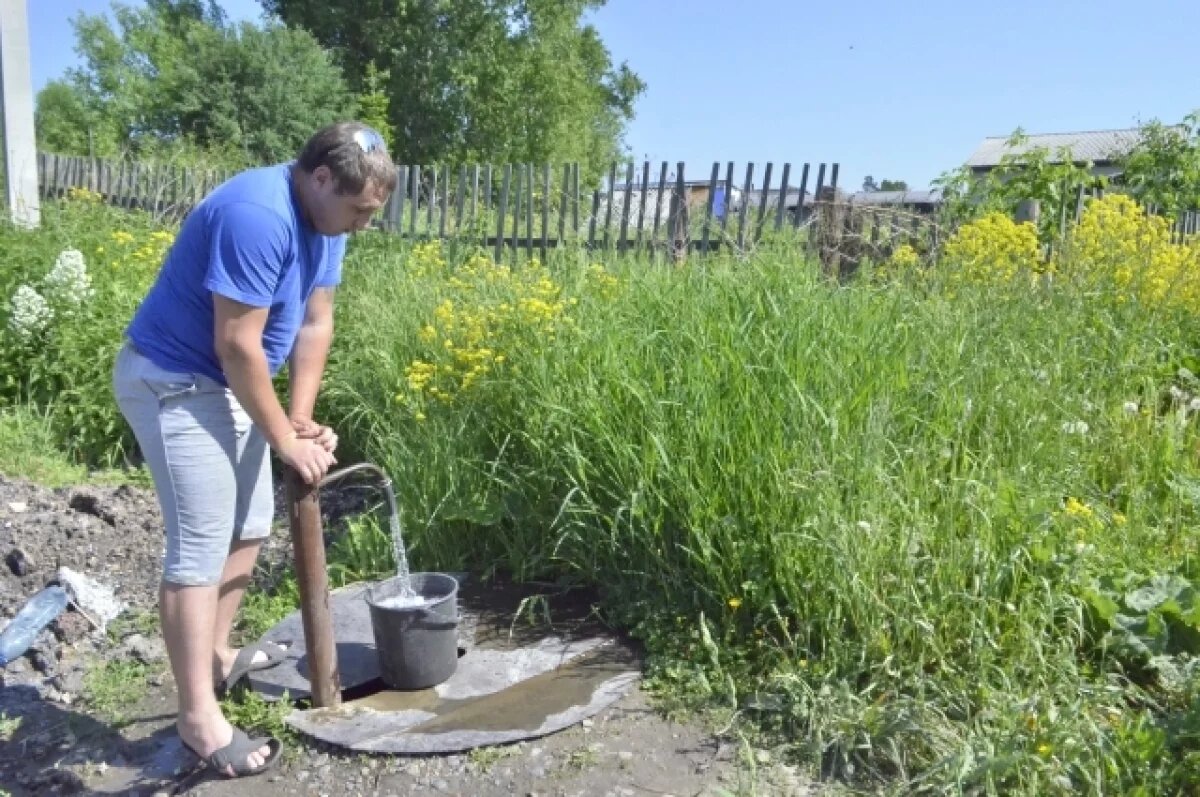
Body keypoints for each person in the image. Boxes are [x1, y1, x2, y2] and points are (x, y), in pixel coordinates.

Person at [112, 121, 397, 777]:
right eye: (359, 210)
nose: (363, 225)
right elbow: (236, 344)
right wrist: (284, 442)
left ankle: (214, 655)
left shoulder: (326, 225)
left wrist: (296, 418)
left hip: (224, 383)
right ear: (321, 178)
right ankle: (197, 717)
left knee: (249, 523)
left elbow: (315, 322)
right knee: (201, 541)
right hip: (174, 380)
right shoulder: (257, 216)